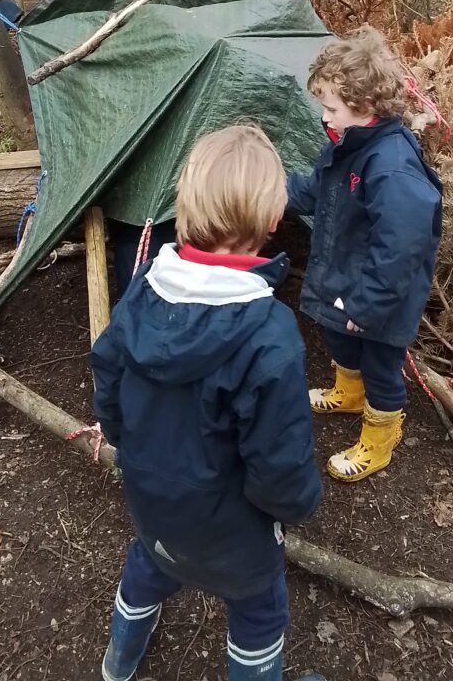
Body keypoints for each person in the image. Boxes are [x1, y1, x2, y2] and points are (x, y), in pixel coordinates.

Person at [91, 124, 324, 681]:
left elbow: (107, 370)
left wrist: (123, 440)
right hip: (232, 526)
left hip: (153, 499)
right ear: (273, 222)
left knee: (150, 561)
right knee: (259, 612)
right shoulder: (269, 332)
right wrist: (297, 505)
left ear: (185, 204)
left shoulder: (145, 286)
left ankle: (118, 662)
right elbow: (279, 454)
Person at [287, 26, 442, 483]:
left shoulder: (390, 165)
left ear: (367, 106)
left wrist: (370, 305)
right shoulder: (346, 144)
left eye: (331, 108)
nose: (324, 116)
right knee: (340, 339)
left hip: (380, 297)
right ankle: (347, 393)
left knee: (381, 367)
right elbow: (317, 190)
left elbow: (401, 247)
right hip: (345, 277)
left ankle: (380, 436)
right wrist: (276, 194)